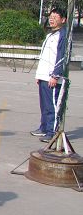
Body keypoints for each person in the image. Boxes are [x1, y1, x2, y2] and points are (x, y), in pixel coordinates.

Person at [31, 7, 68, 142]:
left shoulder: (63, 36)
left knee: (52, 106)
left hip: (52, 78)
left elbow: (61, 57)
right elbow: (44, 56)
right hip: (43, 76)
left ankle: (52, 132)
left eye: (55, 17)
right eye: (50, 17)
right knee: (44, 105)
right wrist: (39, 75)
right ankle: (44, 128)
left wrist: (55, 75)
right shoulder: (50, 35)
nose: (51, 19)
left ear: (63, 20)